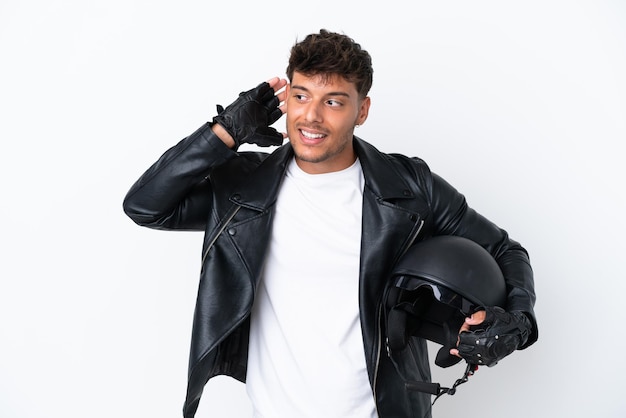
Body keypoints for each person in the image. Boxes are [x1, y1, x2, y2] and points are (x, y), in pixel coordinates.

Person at [123, 29, 538, 418]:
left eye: (334, 101)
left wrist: (517, 322)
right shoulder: (244, 189)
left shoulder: (410, 187)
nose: (312, 117)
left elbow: (504, 250)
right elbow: (146, 206)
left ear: (363, 111)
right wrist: (226, 131)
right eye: (301, 96)